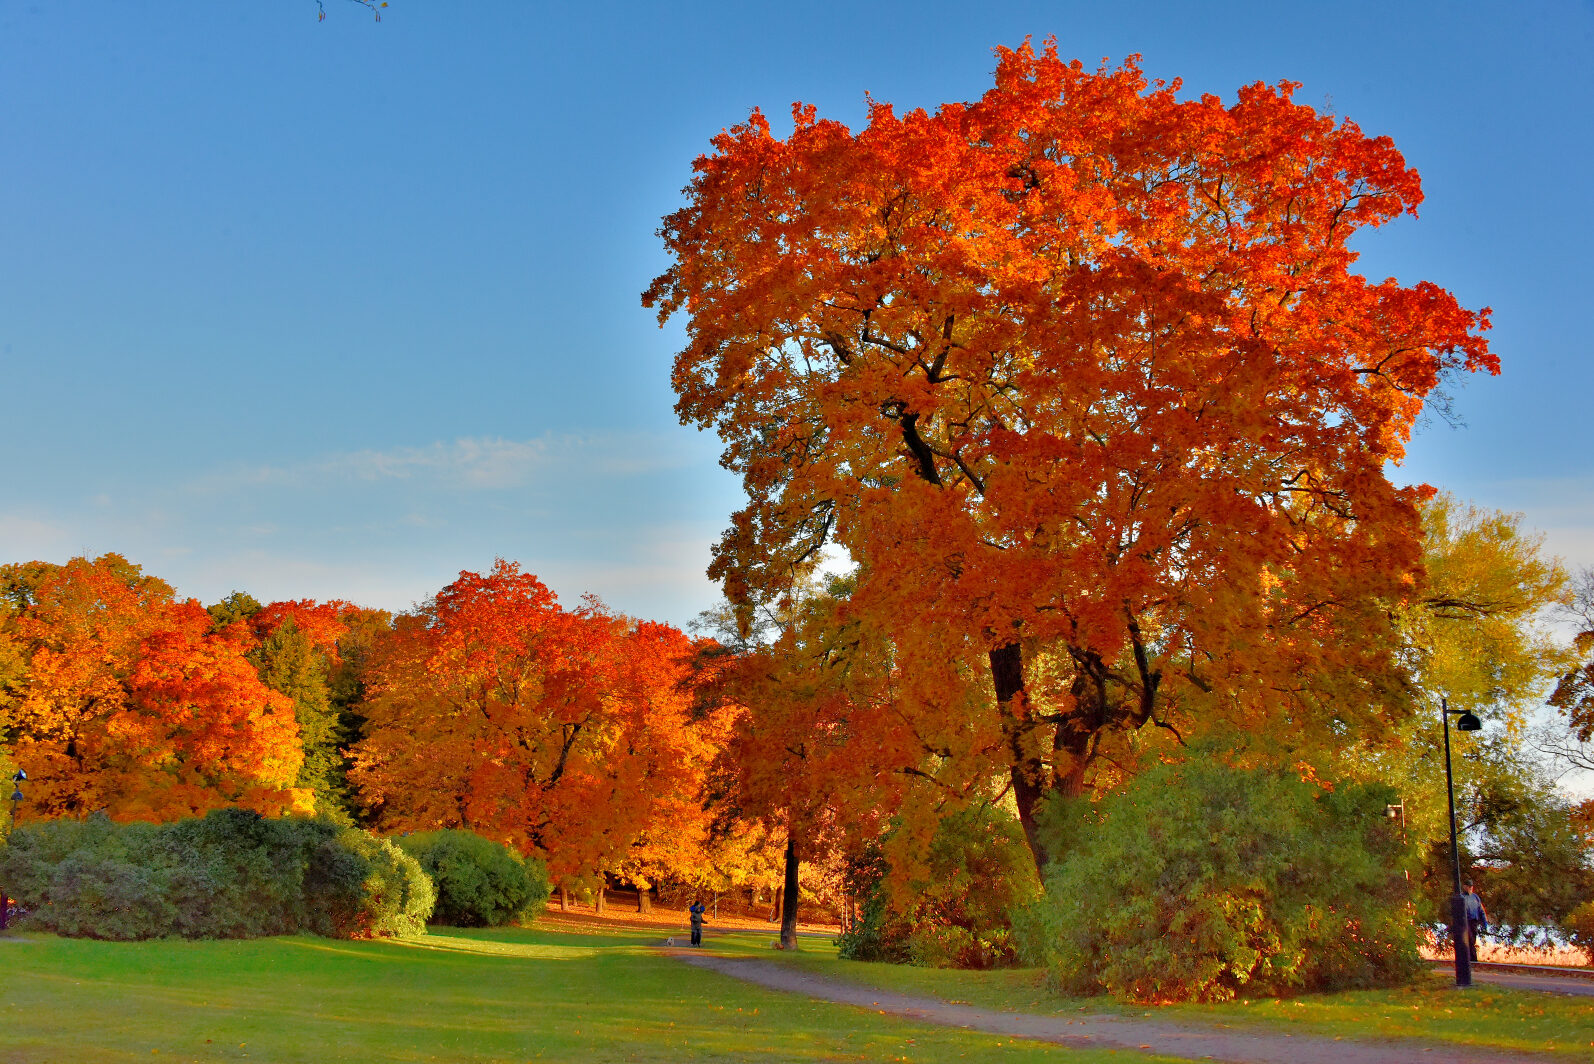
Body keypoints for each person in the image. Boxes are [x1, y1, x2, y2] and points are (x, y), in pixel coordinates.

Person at [1462, 879, 1490, 963]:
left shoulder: (1475, 897)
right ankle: (1473, 959)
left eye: (1471, 886)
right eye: (1469, 886)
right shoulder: (1462, 897)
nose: (1470, 888)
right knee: (1469, 940)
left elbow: (1481, 910)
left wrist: (1484, 922)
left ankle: (1471, 959)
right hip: (1465, 921)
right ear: (1464, 887)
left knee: (1472, 940)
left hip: (1474, 922)